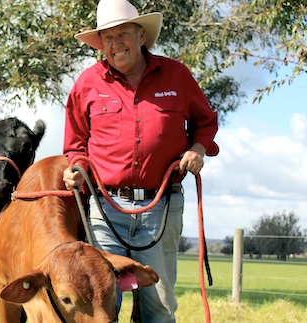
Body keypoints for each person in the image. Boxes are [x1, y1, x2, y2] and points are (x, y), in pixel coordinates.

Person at [62, 0, 219, 322]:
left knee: (158, 306)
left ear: (141, 36)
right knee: (102, 302)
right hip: (105, 210)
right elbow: (75, 143)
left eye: (123, 34)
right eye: (107, 37)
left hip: (161, 209)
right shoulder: (87, 83)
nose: (115, 44)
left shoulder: (177, 75)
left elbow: (206, 123)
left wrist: (198, 150)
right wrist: (76, 167)